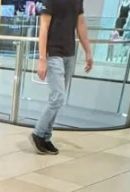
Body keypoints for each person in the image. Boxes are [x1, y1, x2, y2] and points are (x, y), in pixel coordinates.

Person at [31, 0, 92, 155]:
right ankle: (38, 133)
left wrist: (88, 51)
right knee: (58, 97)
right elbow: (43, 27)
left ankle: (46, 137)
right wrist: (42, 58)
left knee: (56, 99)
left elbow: (81, 24)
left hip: (69, 53)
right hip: (53, 52)